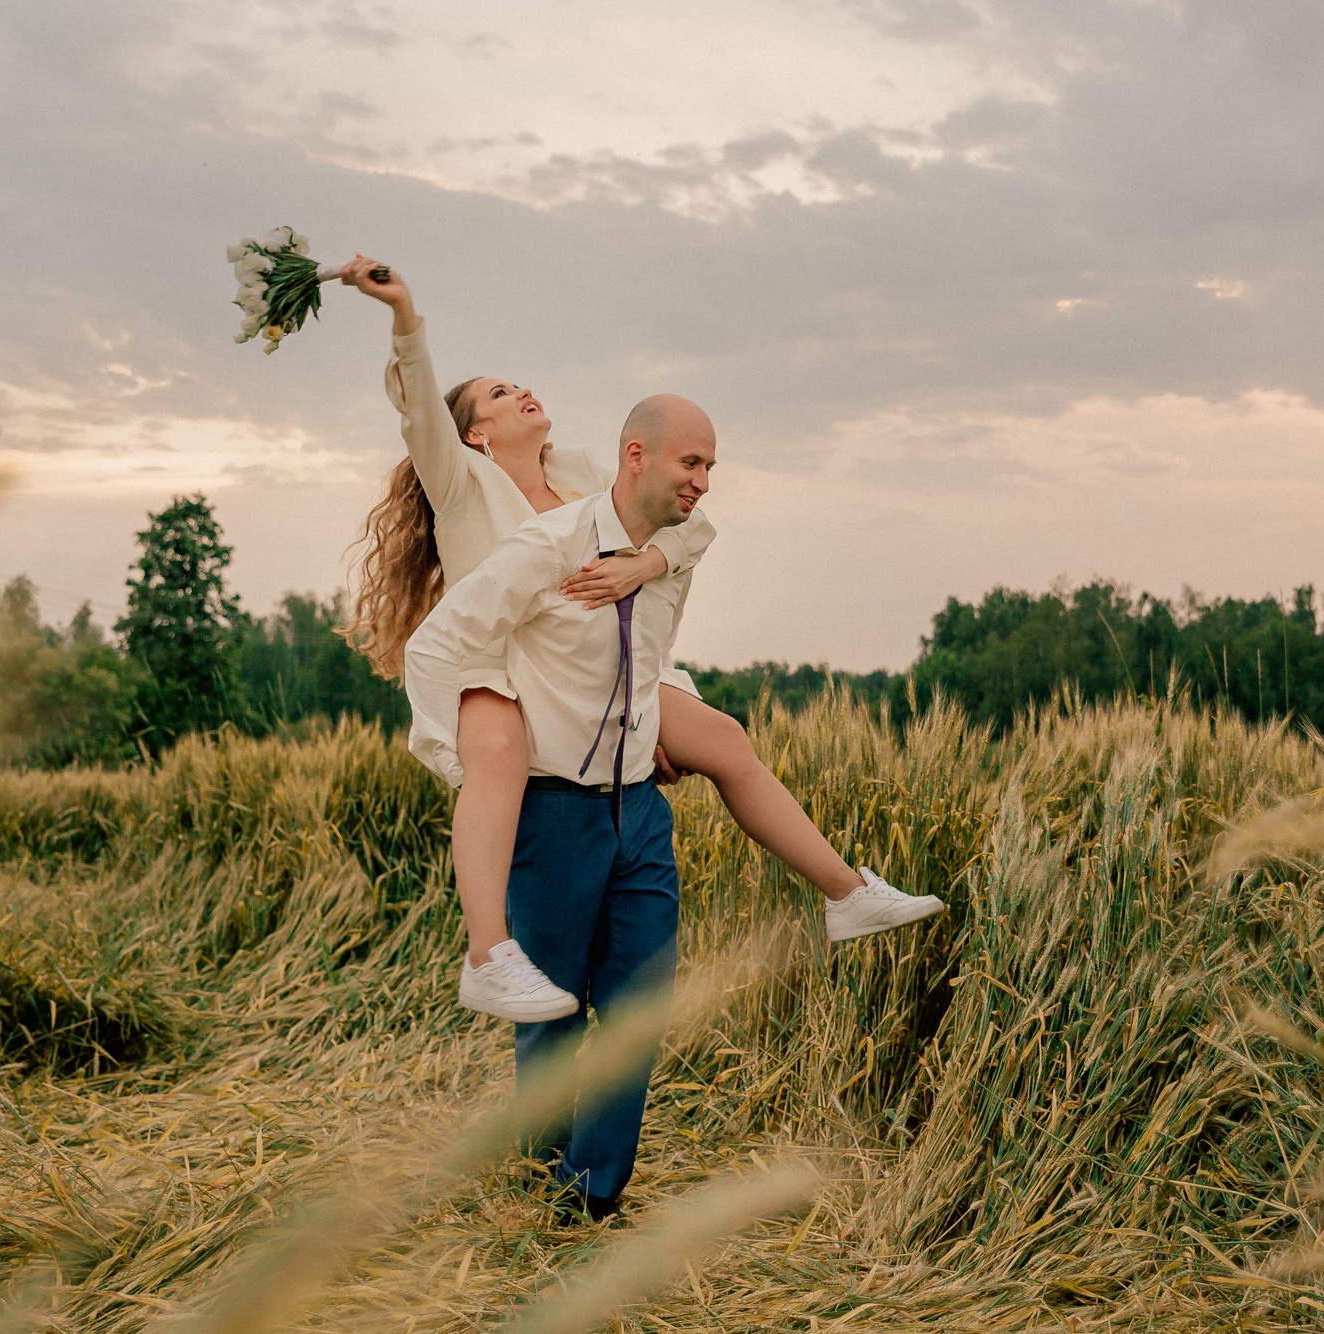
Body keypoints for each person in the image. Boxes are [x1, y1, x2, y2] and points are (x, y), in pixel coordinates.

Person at [335, 257, 943, 1024]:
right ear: (474, 435)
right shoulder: (459, 482)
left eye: (518, 382)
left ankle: (847, 895)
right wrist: (402, 311)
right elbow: (417, 402)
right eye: (497, 393)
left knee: (724, 741)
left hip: (602, 671)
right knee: (497, 755)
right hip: (502, 667)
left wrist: (650, 561)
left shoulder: (586, 474)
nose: (521, 391)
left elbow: (686, 524)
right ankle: (487, 955)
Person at [404, 392, 714, 1221]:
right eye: (693, 463)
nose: (705, 483)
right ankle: (538, 1173)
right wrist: (455, 755)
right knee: (553, 1013)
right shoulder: (527, 535)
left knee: (637, 1013)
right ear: (639, 454)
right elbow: (432, 646)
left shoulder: (664, 541)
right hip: (549, 802)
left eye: (710, 467)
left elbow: (689, 546)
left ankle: (592, 1198)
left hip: (640, 807)